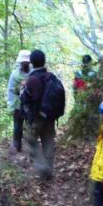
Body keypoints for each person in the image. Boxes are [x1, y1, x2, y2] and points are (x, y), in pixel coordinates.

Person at [20, 49, 65, 180]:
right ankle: (49, 171)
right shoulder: (51, 77)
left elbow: (28, 99)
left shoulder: (32, 79)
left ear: (32, 63)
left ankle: (43, 168)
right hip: (50, 117)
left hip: (36, 118)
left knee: (30, 141)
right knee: (48, 142)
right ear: (44, 61)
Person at [7, 50, 32, 153]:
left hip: (30, 104)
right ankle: (17, 145)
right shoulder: (15, 74)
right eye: (23, 62)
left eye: (26, 62)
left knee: (30, 125)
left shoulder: (33, 72)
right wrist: (10, 105)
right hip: (17, 103)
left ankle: (31, 146)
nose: (24, 64)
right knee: (17, 126)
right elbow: (11, 90)